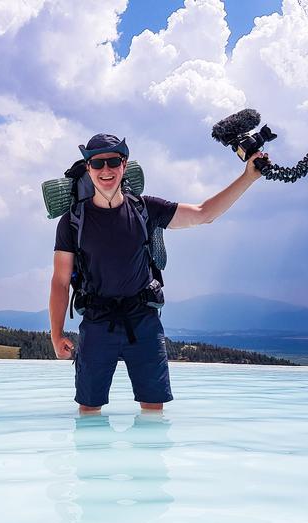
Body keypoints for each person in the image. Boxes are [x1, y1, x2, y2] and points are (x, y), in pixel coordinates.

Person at [49, 133, 265, 415]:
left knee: (153, 409)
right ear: (88, 168)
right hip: (97, 322)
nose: (106, 170)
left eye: (113, 162)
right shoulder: (73, 221)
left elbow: (204, 213)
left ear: (124, 165)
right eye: (98, 164)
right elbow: (60, 281)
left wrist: (248, 177)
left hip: (143, 321)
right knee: (89, 409)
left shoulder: (146, 209)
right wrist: (55, 334)